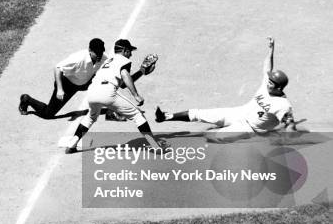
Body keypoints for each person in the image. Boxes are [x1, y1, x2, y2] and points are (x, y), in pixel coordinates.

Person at [155, 37, 296, 139]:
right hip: (239, 112)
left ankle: (247, 138)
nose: (267, 82)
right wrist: (271, 50)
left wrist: (287, 137)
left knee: (211, 136)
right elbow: (267, 67)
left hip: (249, 128)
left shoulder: (283, 105)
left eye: (271, 82)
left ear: (279, 87)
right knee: (200, 113)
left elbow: (290, 125)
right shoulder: (268, 85)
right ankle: (167, 116)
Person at [64, 39, 164, 154]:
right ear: (125, 51)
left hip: (92, 92)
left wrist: (141, 71)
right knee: (137, 115)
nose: (130, 54)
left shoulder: (108, 61)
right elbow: (125, 76)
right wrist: (136, 95)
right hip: (107, 92)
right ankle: (155, 146)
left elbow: (122, 85)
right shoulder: (124, 60)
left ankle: (72, 144)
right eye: (130, 51)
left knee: (90, 117)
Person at [19, 38, 107, 119]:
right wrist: (60, 90)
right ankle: (27, 100)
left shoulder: (103, 58)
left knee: (109, 80)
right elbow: (57, 68)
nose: (99, 56)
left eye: (101, 53)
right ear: (90, 50)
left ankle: (114, 103)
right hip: (67, 85)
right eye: (97, 53)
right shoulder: (78, 58)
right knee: (48, 114)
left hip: (85, 82)